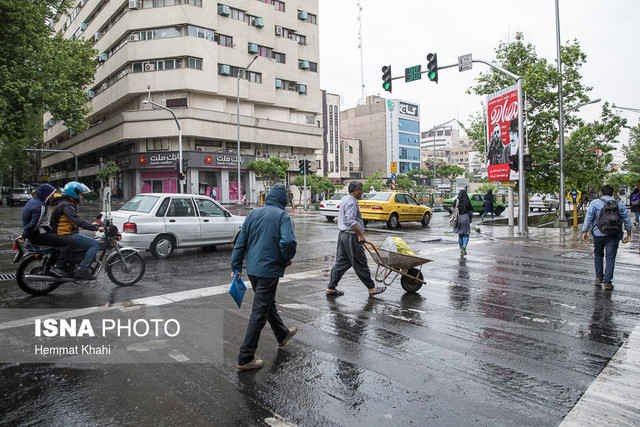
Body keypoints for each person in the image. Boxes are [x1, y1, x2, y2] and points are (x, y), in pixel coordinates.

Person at [231, 184, 298, 371]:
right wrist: (286, 258)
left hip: (253, 269)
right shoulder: (283, 216)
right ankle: (245, 357)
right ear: (283, 200)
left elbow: (240, 243)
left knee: (266, 303)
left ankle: (282, 334)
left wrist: (236, 267)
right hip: (269, 270)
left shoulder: (253, 214)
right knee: (259, 312)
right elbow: (289, 241)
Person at [325, 181, 386, 297]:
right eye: (361, 190)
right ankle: (371, 288)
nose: (362, 193)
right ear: (356, 190)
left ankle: (331, 287)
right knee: (360, 262)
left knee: (341, 263)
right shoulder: (351, 203)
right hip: (350, 236)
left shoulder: (346, 200)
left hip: (343, 235)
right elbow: (351, 221)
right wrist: (360, 235)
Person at [17, 183, 76, 278]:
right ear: (45, 194)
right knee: (71, 242)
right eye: (51, 194)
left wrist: (25, 234)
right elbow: (34, 224)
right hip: (39, 236)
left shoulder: (32, 202)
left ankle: (56, 261)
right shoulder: (40, 206)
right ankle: (58, 267)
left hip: (37, 234)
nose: (53, 197)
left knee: (60, 239)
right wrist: (24, 235)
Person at [581, 184, 632, 291]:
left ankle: (599, 277)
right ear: (612, 193)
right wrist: (628, 234)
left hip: (598, 234)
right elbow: (626, 218)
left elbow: (589, 217)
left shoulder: (595, 203)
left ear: (602, 193)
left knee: (598, 254)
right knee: (611, 258)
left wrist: (584, 231)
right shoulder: (619, 204)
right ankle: (608, 282)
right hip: (614, 235)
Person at [50, 182, 104, 280]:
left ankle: (74, 265)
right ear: (74, 193)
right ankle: (83, 270)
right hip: (65, 235)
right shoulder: (67, 205)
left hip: (62, 234)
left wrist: (91, 225)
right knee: (95, 244)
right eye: (80, 194)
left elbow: (73, 220)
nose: (81, 197)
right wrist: (96, 228)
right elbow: (78, 221)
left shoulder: (65, 203)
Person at [452, 189, 473, 256]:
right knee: (466, 234)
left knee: (460, 235)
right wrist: (470, 219)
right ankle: (464, 246)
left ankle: (461, 250)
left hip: (458, 218)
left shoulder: (456, 201)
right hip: (465, 217)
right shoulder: (467, 201)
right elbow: (470, 212)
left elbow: (452, 209)